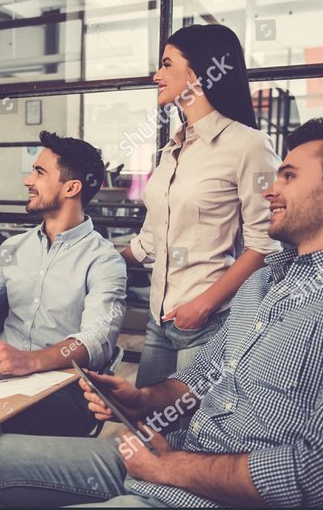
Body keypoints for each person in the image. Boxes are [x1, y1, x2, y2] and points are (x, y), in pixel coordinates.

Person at [0, 117, 323, 507]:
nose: (269, 191)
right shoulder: (265, 280)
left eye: (286, 176)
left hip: (199, 482)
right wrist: (142, 399)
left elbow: (322, 478)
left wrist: (170, 467)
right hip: (170, 456)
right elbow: (201, 379)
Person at [120, 24, 281, 388]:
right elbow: (150, 239)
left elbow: (266, 244)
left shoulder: (248, 145)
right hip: (159, 318)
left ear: (196, 74)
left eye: (166, 64)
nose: (156, 75)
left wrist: (204, 305)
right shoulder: (173, 149)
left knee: (192, 436)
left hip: (209, 320)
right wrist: (95, 263)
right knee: (146, 426)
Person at [0, 130, 128, 437]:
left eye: (39, 172)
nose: (27, 180)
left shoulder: (104, 260)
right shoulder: (12, 249)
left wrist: (28, 361)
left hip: (64, 388)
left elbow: (96, 341)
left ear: (71, 187)